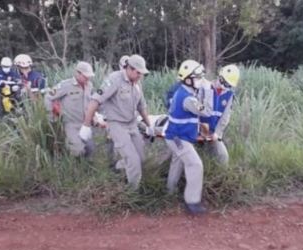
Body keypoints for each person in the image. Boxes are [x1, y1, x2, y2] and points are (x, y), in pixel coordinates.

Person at [79, 54, 154, 190]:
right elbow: (96, 100)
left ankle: (118, 166)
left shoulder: (137, 83)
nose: (140, 76)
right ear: (129, 69)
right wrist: (86, 125)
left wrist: (150, 126)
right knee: (133, 160)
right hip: (117, 124)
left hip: (132, 124)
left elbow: (141, 106)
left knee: (141, 159)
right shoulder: (115, 79)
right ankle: (133, 192)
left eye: (142, 73)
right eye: (138, 72)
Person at [164, 59, 212, 214]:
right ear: (188, 79)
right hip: (179, 138)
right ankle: (192, 202)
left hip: (176, 136)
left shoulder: (184, 92)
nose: (200, 81)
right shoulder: (188, 98)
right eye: (198, 78)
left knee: (177, 163)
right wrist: (209, 91)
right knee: (195, 165)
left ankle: (169, 192)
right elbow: (207, 111)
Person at [44, 61, 96, 158]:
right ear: (77, 73)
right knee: (77, 150)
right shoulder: (65, 85)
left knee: (90, 149)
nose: (88, 79)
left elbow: (91, 102)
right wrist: (52, 117)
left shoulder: (89, 86)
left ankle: (87, 170)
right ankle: (73, 167)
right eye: (85, 76)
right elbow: (48, 97)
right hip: (71, 124)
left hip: (86, 124)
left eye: (89, 77)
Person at [199, 64, 240, 165]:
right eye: (226, 84)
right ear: (221, 78)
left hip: (213, 132)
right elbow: (197, 109)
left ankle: (221, 176)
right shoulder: (205, 88)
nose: (227, 87)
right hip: (198, 128)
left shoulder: (229, 95)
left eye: (229, 85)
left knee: (223, 157)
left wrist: (217, 133)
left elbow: (225, 117)